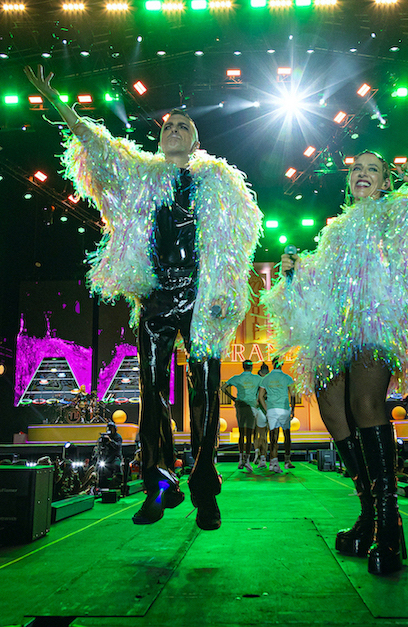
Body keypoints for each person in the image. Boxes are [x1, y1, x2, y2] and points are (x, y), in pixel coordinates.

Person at [25, 66, 262, 531]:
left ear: (196, 141)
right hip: (156, 298)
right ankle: (158, 484)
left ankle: (204, 488)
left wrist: (222, 291)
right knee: (151, 392)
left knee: (205, 392)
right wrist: (58, 104)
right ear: (160, 138)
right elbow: (100, 148)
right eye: (169, 125)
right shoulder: (142, 177)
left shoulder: (218, 183)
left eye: (183, 126)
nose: (174, 129)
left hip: (201, 296)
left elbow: (235, 243)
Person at [263, 152, 408, 574]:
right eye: (357, 168)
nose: (362, 173)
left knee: (365, 404)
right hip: (335, 330)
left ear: (385, 181)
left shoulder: (394, 213)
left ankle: (389, 524)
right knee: (331, 406)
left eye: (372, 169)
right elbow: (322, 282)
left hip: (376, 320)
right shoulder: (336, 230)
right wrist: (295, 274)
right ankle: (369, 511)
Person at [223, 360, 262, 470]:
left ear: (243, 366)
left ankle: (241, 460)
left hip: (240, 406)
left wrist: (233, 398)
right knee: (249, 434)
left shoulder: (237, 377)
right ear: (252, 367)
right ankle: (247, 460)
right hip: (251, 407)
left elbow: (223, 388)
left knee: (241, 433)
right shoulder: (257, 378)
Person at [258, 357, 295, 472]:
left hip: (272, 409)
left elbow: (260, 396)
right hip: (284, 409)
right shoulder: (287, 377)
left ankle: (273, 463)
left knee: (273, 437)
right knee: (287, 436)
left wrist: (266, 408)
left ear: (272, 364)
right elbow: (293, 395)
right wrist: (293, 409)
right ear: (282, 364)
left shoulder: (266, 378)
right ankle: (287, 461)